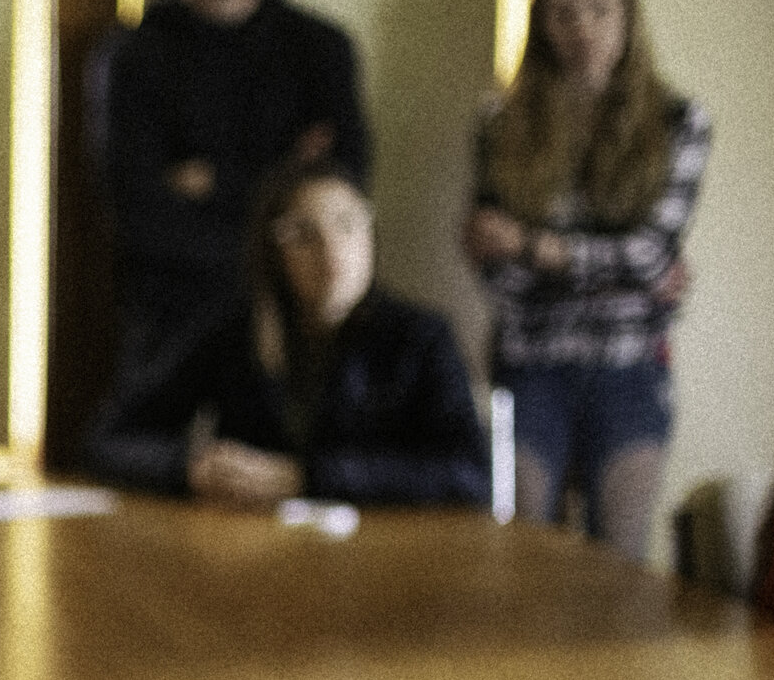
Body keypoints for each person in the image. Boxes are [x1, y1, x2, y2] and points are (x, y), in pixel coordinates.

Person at [465, 0, 709, 561]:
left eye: (600, 10)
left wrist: (533, 246)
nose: (582, 29)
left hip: (629, 367)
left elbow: (652, 255)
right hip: (529, 364)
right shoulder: (500, 123)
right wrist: (611, 268)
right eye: (564, 13)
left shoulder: (679, 121)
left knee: (619, 567)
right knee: (519, 558)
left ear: (628, 19)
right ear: (542, 24)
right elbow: (499, 273)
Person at [83, 159, 488, 507]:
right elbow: (110, 439)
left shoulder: (419, 337)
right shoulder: (232, 332)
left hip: (390, 561)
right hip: (252, 555)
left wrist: (305, 478)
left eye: (347, 224)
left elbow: (469, 475)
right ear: (273, 250)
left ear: (370, 231)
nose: (332, 251)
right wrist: (191, 469)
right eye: (305, 233)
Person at [104, 0, 369, 377]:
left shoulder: (318, 49)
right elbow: (136, 206)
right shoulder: (138, 55)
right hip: (175, 311)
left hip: (300, 309)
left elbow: (344, 191)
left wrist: (212, 180)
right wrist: (283, 177)